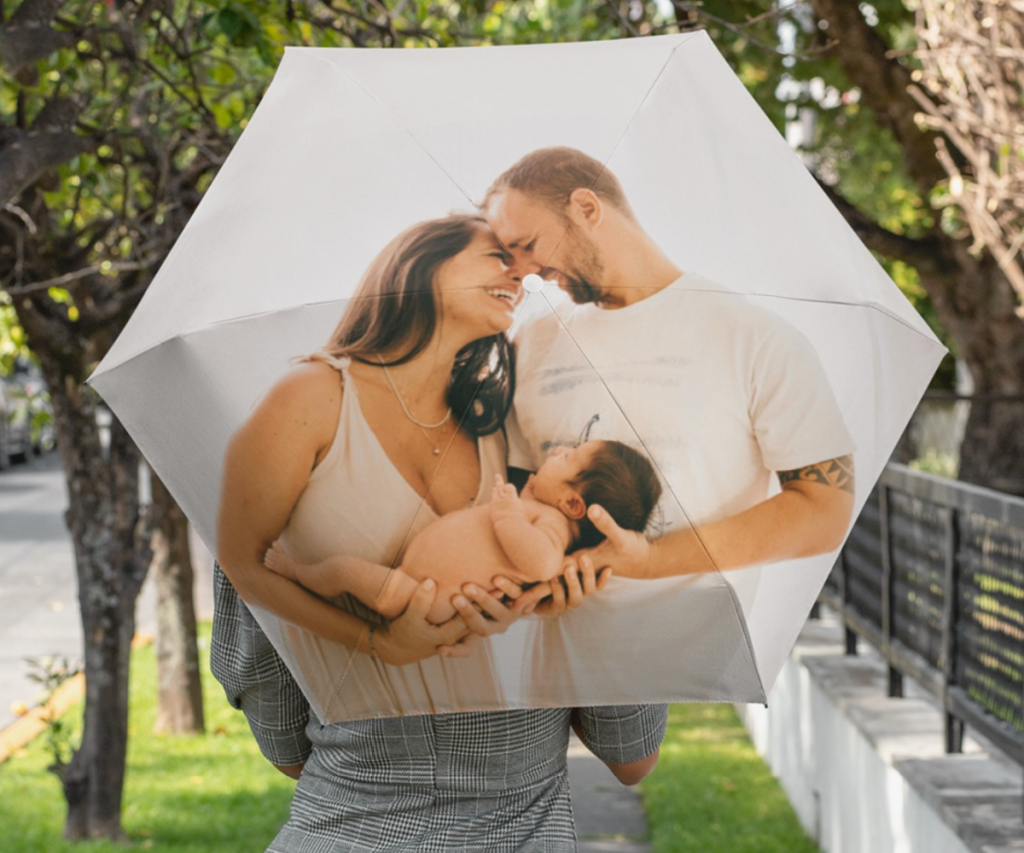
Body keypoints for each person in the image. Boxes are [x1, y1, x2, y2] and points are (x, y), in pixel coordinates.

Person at [211, 212, 668, 851]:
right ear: (422, 266)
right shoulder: (309, 403)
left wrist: (583, 604)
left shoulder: (520, 447)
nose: (523, 272)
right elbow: (629, 751)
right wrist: (380, 641)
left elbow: (284, 741)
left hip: (353, 825)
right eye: (497, 257)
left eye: (523, 262)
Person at [482, 146, 857, 705]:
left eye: (528, 246)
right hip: (550, 682)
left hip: (690, 686)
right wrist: (536, 583)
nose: (525, 273)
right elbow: (515, 498)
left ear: (586, 208)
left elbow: (824, 510)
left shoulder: (754, 338)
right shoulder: (530, 343)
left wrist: (652, 560)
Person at [264, 440, 662, 624]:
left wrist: (507, 514)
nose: (557, 451)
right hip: (423, 590)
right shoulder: (540, 508)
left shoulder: (552, 530)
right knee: (350, 576)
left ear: (573, 505)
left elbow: (541, 564)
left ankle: (297, 572)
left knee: (344, 571)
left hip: (418, 596)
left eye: (569, 456)